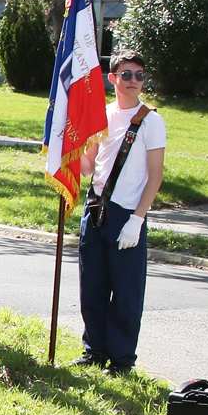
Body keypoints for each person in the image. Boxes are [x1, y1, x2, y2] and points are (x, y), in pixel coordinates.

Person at [77, 49, 167, 374]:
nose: (134, 81)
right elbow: (89, 166)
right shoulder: (101, 116)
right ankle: (94, 351)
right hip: (95, 209)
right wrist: (67, 153)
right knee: (93, 285)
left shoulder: (151, 121)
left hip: (127, 214)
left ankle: (121, 360)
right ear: (113, 79)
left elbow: (155, 175)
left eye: (140, 75)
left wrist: (138, 219)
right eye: (126, 75)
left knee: (126, 293)